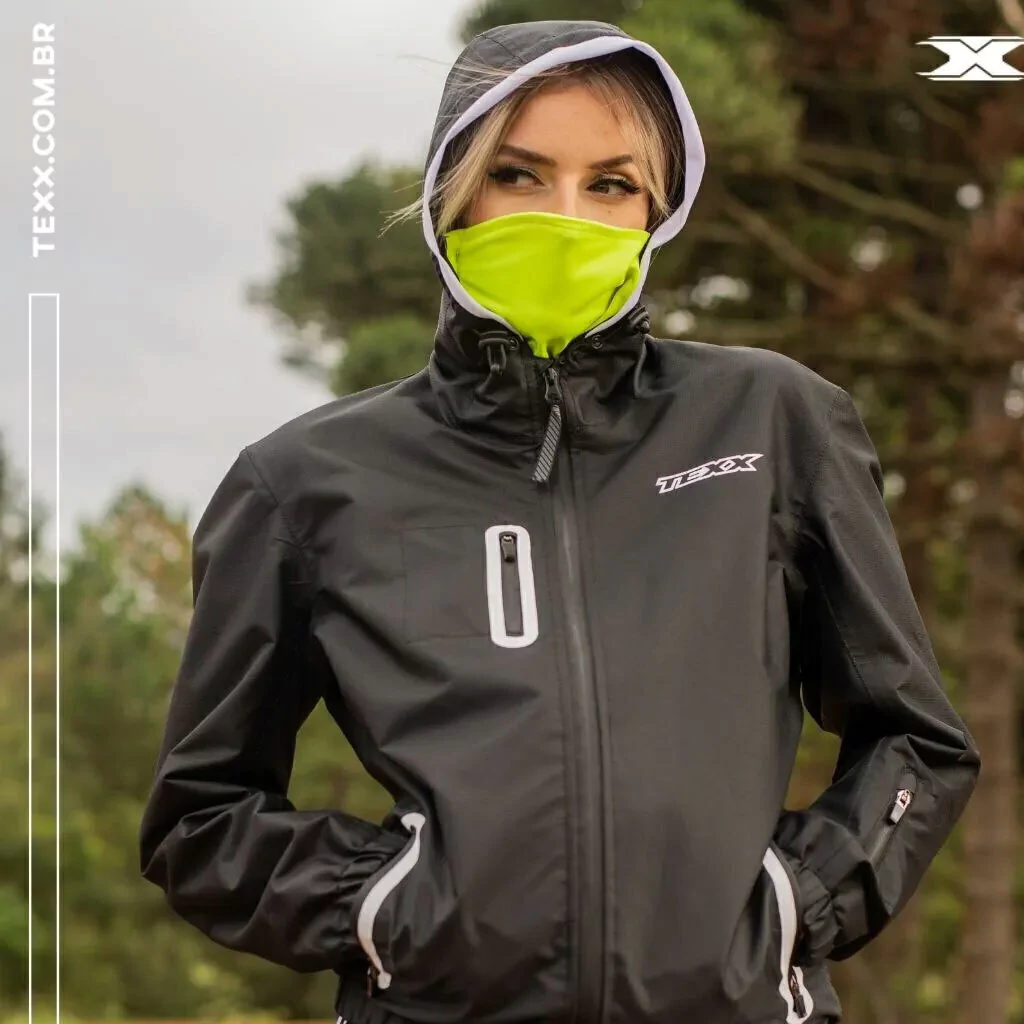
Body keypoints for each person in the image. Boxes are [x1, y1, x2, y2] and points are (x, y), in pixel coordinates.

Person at [138, 18, 981, 1024]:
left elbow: (915, 740)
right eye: (519, 174)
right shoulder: (305, 483)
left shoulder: (775, 423)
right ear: (452, 191)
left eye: (611, 183)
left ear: (656, 211)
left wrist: (796, 899)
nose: (565, 215)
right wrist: (385, 908)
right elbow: (202, 818)